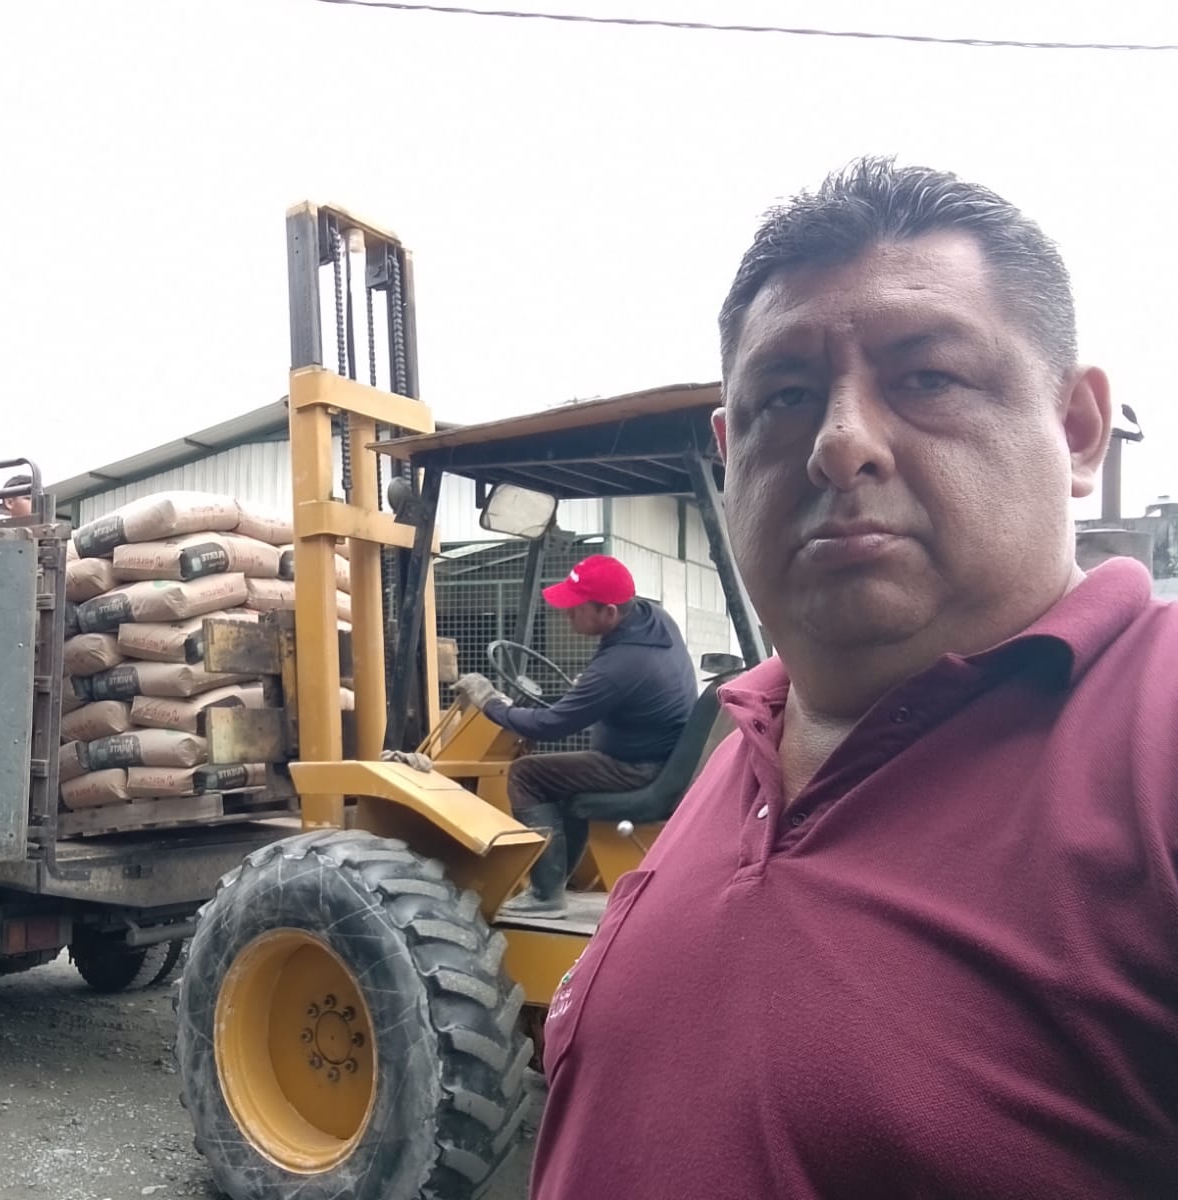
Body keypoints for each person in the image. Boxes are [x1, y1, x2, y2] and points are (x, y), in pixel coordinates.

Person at [529, 157, 1178, 1198]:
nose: (839, 442)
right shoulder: (747, 739)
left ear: (1075, 430)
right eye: (785, 397)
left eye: (927, 378)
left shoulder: (1154, 734)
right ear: (729, 455)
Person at [452, 553, 698, 915]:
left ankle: (545, 894)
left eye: (576, 608)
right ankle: (560, 878)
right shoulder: (652, 620)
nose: (566, 614)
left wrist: (489, 702)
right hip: (662, 755)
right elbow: (614, 685)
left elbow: (551, 726)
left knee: (527, 774)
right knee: (562, 781)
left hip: (638, 769)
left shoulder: (619, 667)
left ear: (609, 612)